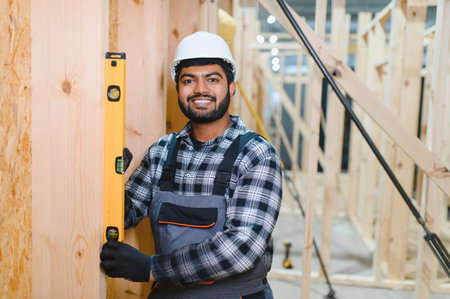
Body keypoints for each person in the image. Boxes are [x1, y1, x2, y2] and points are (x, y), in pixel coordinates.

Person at [100, 31, 282, 299]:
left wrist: (152, 269)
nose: (200, 90)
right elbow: (123, 215)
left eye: (213, 79)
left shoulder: (256, 155)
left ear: (231, 87)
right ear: (178, 88)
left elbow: (242, 248)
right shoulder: (162, 152)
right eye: (189, 80)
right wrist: (106, 176)